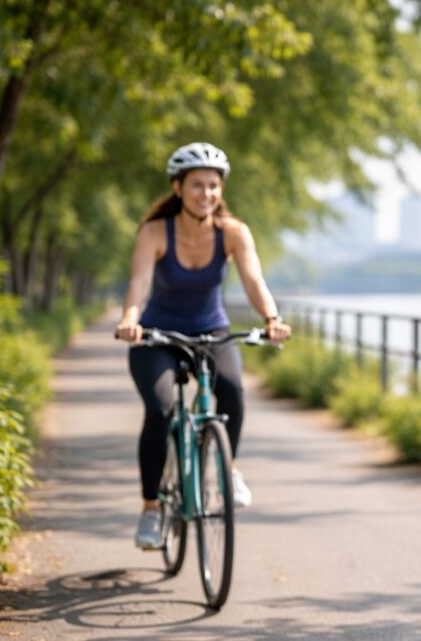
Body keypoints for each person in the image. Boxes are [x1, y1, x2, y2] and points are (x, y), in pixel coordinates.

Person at [115, 141, 292, 549]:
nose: (206, 193)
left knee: (232, 388)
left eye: (213, 185)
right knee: (160, 409)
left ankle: (230, 469)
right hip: (158, 336)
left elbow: (253, 280)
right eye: (197, 185)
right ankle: (151, 509)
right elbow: (139, 282)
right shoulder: (155, 232)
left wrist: (272, 319)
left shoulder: (233, 233)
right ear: (178, 188)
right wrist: (129, 319)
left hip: (211, 332)